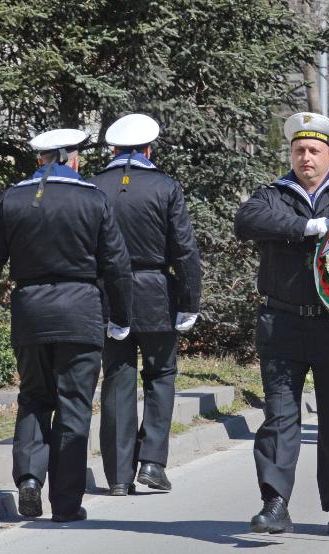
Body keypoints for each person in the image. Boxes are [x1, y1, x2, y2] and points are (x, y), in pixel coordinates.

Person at [0, 129, 133, 522]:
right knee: (74, 406)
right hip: (81, 312)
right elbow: (116, 265)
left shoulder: (13, 199)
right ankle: (66, 504)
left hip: (31, 312)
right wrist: (121, 316)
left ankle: (29, 479)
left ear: (41, 159)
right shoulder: (93, 198)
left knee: (34, 398)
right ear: (72, 158)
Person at [234, 112, 329, 535]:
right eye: (298, 150)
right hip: (282, 321)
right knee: (279, 416)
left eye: (313, 150)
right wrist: (306, 226)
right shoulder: (273, 194)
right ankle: (274, 502)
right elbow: (247, 222)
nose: (305, 158)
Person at [90, 114, 202, 496]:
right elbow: (184, 249)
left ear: (113, 149)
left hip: (109, 295)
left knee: (117, 380)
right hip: (156, 292)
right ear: (149, 150)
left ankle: (119, 477)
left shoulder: (94, 187)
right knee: (161, 376)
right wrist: (189, 301)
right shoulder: (165, 187)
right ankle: (152, 461)